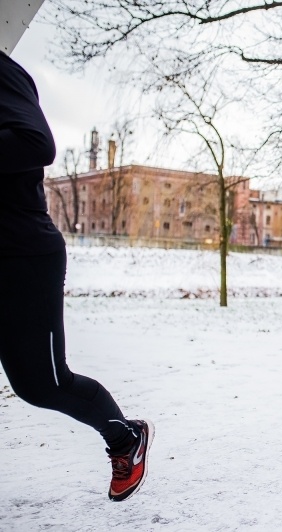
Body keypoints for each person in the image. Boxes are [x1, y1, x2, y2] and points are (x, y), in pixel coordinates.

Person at [0, 51, 154, 501]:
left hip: (21, 257)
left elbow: (37, 142)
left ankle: (125, 438)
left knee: (41, 385)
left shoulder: (3, 73)